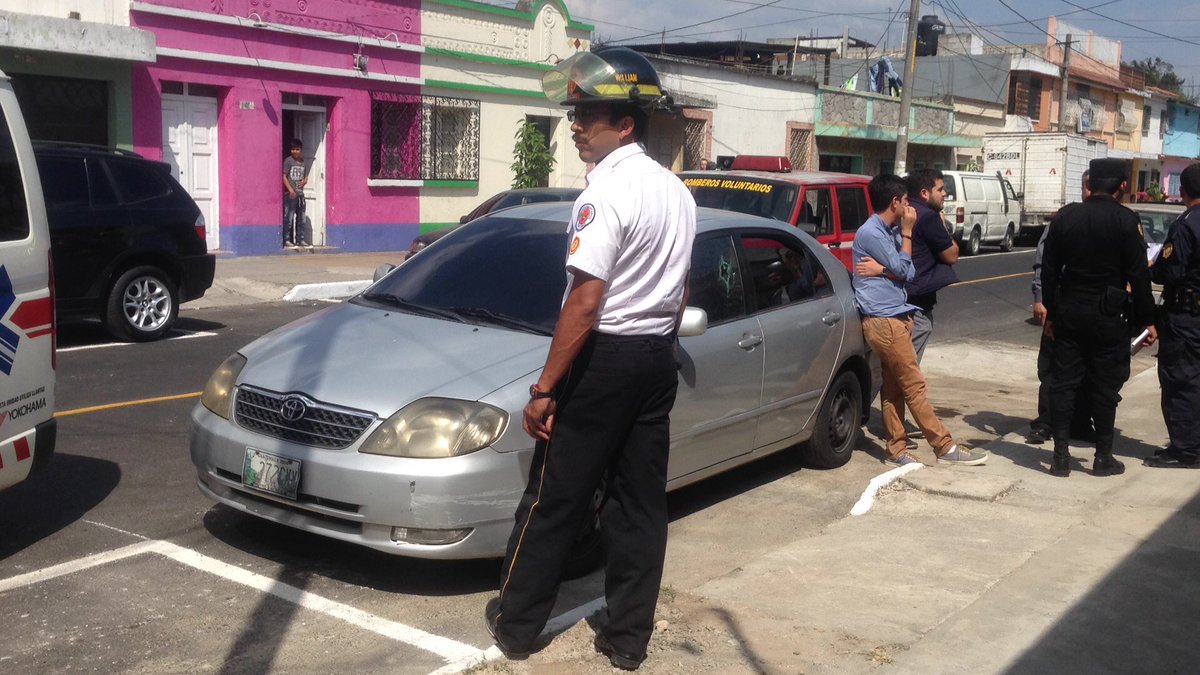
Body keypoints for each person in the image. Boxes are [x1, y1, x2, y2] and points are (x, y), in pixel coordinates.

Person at [484, 47, 697, 671]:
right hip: (656, 355)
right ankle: (627, 637)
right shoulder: (674, 190)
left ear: (624, 123)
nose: (575, 126)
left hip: (603, 360)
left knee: (555, 497)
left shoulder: (602, 194)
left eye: (587, 115)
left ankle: (518, 625)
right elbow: (681, 286)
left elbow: (585, 300)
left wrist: (546, 387)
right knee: (639, 503)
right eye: (575, 114)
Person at [851, 173, 988, 468]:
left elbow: (905, 272)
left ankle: (896, 449)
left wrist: (884, 270)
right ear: (894, 202)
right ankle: (944, 446)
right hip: (884, 320)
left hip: (895, 315)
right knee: (914, 385)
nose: (908, 207)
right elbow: (905, 268)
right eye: (904, 202)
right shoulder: (872, 233)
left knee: (893, 388)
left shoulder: (887, 230)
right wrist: (909, 232)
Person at [1040, 158, 1157, 477]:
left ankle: (1060, 456)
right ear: (1121, 185)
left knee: (1064, 383)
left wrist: (1050, 310)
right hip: (1109, 315)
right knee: (1105, 387)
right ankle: (1103, 456)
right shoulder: (1126, 220)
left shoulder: (1066, 217)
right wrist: (1148, 319)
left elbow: (1049, 269)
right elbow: (1139, 274)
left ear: (1091, 183)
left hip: (1069, 312)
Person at [856, 168, 958, 362]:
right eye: (940, 189)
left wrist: (882, 270)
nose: (945, 194)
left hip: (900, 300)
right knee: (907, 373)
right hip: (910, 303)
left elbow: (906, 268)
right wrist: (939, 228)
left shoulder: (894, 223)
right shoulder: (925, 217)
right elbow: (951, 256)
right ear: (925, 193)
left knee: (893, 370)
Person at [1027, 171, 1096, 445]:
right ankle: (1045, 422)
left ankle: (1080, 422)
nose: (1088, 192)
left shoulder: (1114, 220)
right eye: (1086, 187)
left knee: (1089, 369)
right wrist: (1040, 298)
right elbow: (1043, 262)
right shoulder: (1065, 217)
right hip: (1060, 305)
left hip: (1094, 310)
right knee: (1052, 368)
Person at [1146, 162, 1200, 469]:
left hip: (1186, 315)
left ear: (1184, 190)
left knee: (1181, 379)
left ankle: (1186, 449)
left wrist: (1155, 268)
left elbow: (1172, 271)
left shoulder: (1186, 223)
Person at [282, 138, 311, 248]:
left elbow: (306, 177)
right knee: (289, 218)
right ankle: (286, 239)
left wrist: (305, 181)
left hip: (300, 195)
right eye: (293, 149)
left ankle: (300, 239)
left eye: (297, 149)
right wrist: (290, 190)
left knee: (301, 218)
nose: (295, 151)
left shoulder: (304, 162)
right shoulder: (288, 161)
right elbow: (284, 176)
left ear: (301, 150)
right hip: (290, 195)